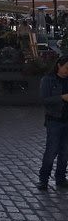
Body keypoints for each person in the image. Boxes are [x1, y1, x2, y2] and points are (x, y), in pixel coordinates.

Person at [38, 55, 68, 190]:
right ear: (59, 66)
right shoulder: (48, 80)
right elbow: (45, 100)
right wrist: (61, 97)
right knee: (51, 151)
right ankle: (43, 179)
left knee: (65, 152)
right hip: (54, 120)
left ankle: (60, 178)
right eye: (67, 68)